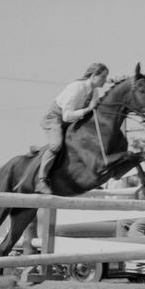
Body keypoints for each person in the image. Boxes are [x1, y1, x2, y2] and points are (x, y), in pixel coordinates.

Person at [34, 62, 110, 193]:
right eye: (103, 77)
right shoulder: (77, 88)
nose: (105, 80)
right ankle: (41, 181)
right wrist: (88, 109)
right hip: (54, 118)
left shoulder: (94, 92)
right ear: (93, 75)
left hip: (70, 121)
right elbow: (67, 116)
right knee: (56, 145)